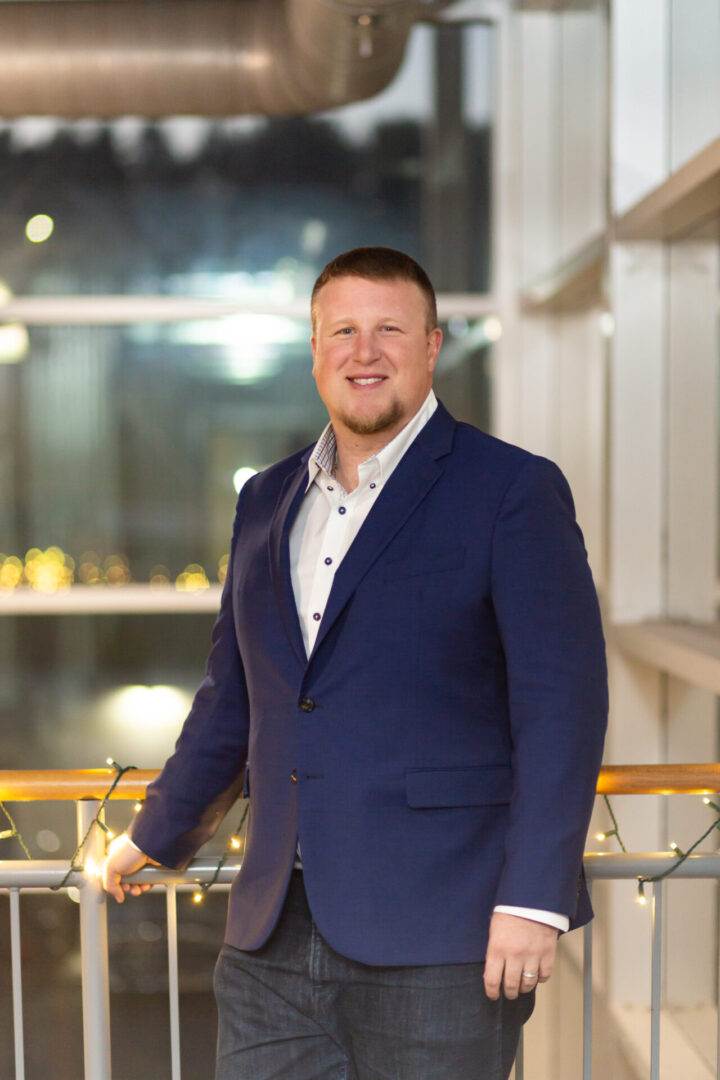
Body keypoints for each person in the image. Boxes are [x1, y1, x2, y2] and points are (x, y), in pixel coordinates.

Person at [102, 246, 607, 1080]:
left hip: (444, 935)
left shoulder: (511, 489)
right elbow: (237, 697)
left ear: (433, 345)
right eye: (342, 330)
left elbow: (564, 704)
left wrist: (534, 899)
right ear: (314, 351)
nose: (363, 352)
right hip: (271, 936)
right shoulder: (265, 500)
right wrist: (155, 836)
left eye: (388, 330)